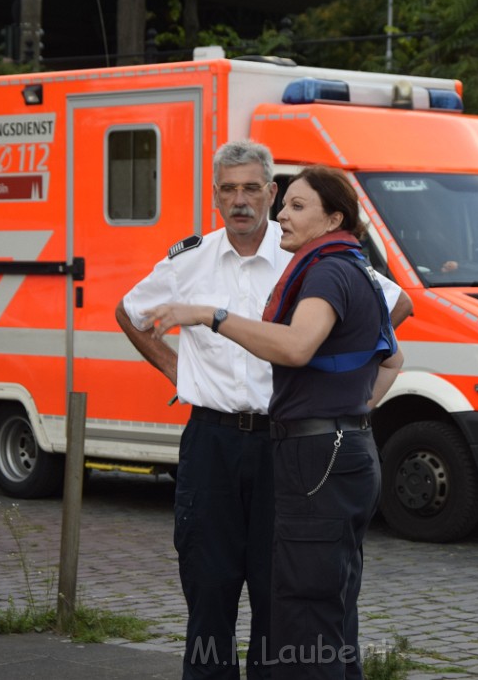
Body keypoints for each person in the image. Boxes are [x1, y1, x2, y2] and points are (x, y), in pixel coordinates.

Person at [116, 143, 411, 680]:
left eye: (253, 188)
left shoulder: (305, 253)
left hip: (288, 446)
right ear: (214, 195)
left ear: (272, 192)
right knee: (209, 589)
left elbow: (395, 304)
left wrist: (348, 390)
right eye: (228, 189)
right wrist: (178, 372)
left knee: (284, 595)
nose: (241, 201)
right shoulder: (191, 259)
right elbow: (130, 312)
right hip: (213, 442)